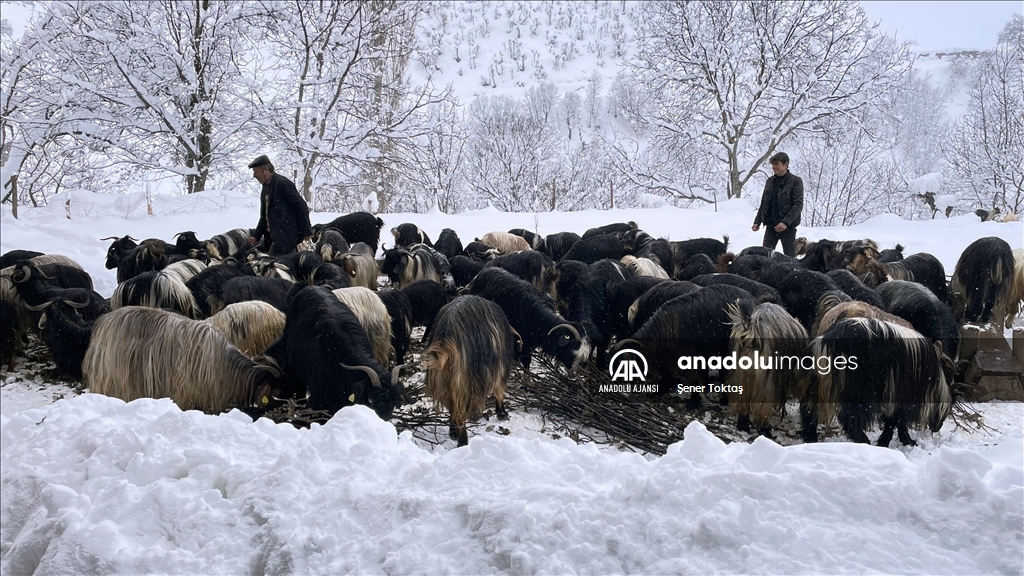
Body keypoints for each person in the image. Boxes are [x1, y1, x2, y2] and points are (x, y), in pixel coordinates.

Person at [247, 155, 312, 256]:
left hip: (287, 241)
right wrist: (256, 236)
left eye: (255, 172)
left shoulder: (282, 183)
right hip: (273, 241)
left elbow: (301, 207)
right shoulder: (265, 189)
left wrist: (306, 234)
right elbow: (264, 217)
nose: (254, 176)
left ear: (266, 170)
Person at [751, 151, 804, 257]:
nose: (774, 167)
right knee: (765, 256)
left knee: (790, 257)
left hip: (788, 228)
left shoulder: (796, 181)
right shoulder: (769, 181)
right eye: (773, 165)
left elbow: (798, 205)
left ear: (786, 164)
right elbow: (764, 203)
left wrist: (785, 222)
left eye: (777, 164)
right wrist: (757, 221)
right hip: (771, 226)